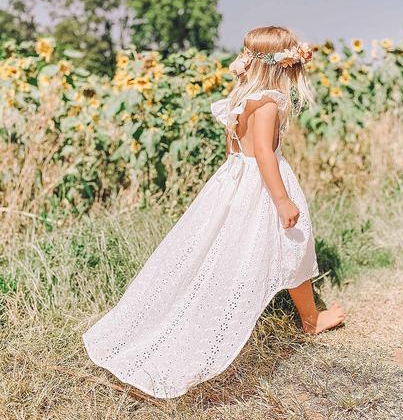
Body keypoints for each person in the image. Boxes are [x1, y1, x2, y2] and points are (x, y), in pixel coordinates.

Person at [83, 25, 345, 399]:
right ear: (283, 65)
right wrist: (282, 199)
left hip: (234, 180)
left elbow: (235, 151)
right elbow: (265, 155)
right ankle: (310, 319)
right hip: (263, 184)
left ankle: (241, 306)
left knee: (225, 250)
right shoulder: (268, 102)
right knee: (294, 244)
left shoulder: (241, 97)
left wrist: (231, 188)